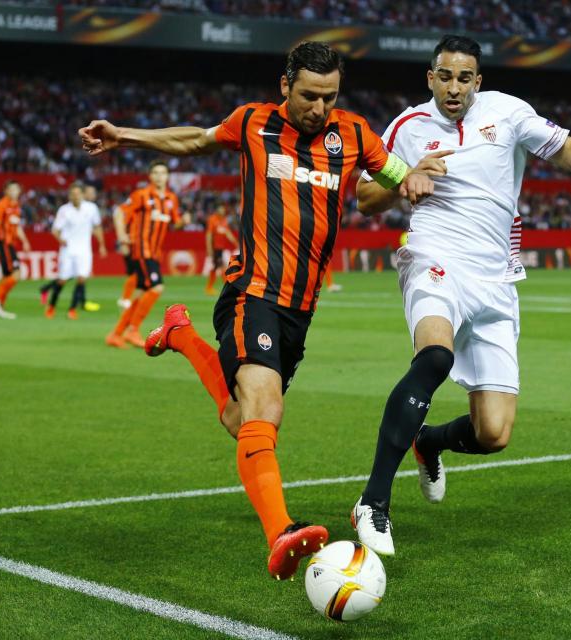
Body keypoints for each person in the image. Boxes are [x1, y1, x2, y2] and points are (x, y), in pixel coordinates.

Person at [79, 41, 436, 580]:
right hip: (253, 292)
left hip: (300, 308)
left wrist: (411, 177)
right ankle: (281, 533)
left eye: (330, 97)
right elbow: (195, 140)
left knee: (239, 418)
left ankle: (179, 335)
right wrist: (123, 135)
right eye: (310, 96)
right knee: (266, 408)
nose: (320, 108)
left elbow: (392, 176)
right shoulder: (254, 123)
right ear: (285, 86)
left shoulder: (354, 134)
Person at [351, 34, 571, 555]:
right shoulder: (407, 127)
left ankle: (429, 440)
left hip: (495, 280)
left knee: (493, 434)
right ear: (431, 78)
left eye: (464, 78)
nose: (454, 87)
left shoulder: (509, 113)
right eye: (445, 76)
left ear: (478, 82)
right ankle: (373, 501)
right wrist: (404, 179)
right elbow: (364, 197)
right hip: (435, 258)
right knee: (434, 356)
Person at [105, 160, 190, 348]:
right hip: (142, 249)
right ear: (150, 176)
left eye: (163, 173)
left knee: (142, 292)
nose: (159, 176)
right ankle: (133, 329)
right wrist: (122, 236)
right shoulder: (141, 195)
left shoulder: (171, 199)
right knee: (157, 287)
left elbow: (175, 223)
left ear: (167, 177)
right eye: (156, 173)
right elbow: (119, 212)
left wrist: (183, 222)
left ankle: (116, 334)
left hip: (155, 252)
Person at [43, 182, 107, 319]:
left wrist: (102, 244)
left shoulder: (91, 208)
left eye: (78, 194)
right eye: (72, 194)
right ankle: (51, 306)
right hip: (68, 250)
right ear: (69, 196)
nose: (75, 196)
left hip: (84, 250)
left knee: (81, 279)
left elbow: (97, 226)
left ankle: (72, 309)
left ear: (83, 194)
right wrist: (61, 240)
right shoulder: (64, 210)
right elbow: (55, 230)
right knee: (62, 280)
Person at [0, 181, 31, 320]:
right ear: (6, 191)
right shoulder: (1, 204)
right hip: (4, 243)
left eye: (16, 189)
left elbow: (16, 226)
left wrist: (24, 240)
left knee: (8, 276)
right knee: (16, 274)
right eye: (11, 189)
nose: (14, 192)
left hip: (10, 244)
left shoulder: (16, 206)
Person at [204, 201, 238, 295]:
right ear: (217, 210)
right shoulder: (212, 219)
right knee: (221, 266)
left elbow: (227, 233)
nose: (222, 210)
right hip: (215, 247)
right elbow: (209, 235)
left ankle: (209, 287)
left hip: (221, 248)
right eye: (221, 208)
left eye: (223, 209)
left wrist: (235, 242)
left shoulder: (224, 220)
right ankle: (223, 288)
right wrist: (209, 248)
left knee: (216, 267)